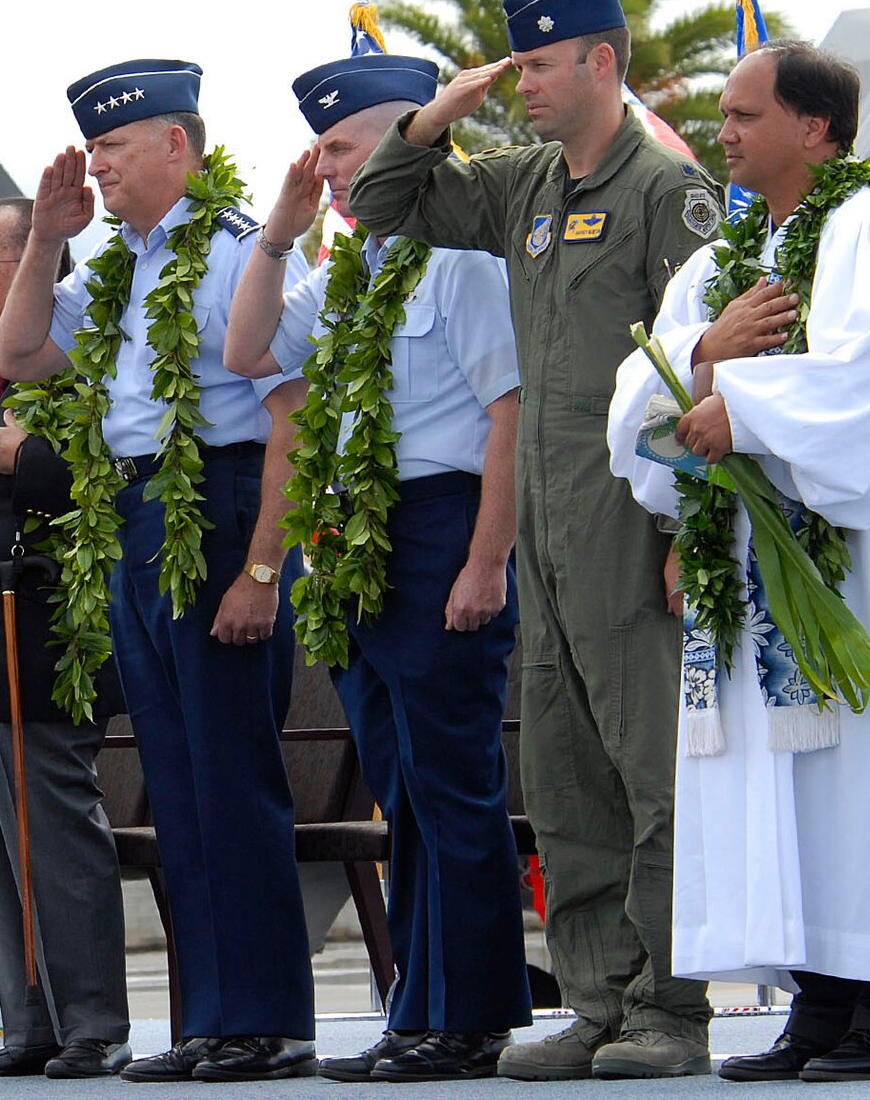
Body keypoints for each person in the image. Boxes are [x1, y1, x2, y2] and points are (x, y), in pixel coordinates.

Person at [347, 0, 722, 1080]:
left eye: (540, 68)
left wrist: (682, 536)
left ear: (599, 64)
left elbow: (697, 363)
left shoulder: (665, 189)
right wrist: (432, 119)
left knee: (647, 766)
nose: (524, 89)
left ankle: (670, 1004)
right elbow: (380, 204)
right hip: (545, 523)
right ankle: (598, 999)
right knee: (560, 768)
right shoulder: (519, 185)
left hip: (628, 511)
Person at [607, 40, 870, 1084]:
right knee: (785, 779)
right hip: (751, 567)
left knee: (867, 770)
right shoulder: (723, 260)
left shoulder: (869, 234)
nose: (722, 132)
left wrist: (740, 407)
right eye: (720, 115)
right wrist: (710, 357)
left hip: (862, 560)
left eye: (743, 115)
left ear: (813, 128)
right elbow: (645, 383)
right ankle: (821, 1004)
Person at [0, 59, 315, 1083]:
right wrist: (46, 235)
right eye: (91, 148)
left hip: (216, 511)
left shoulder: (232, 253)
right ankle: (210, 1018)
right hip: (138, 512)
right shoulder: (119, 266)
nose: (98, 165)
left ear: (176, 146)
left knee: (230, 780)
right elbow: (21, 353)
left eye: (113, 148)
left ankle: (264, 1021)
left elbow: (289, 418)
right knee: (175, 785)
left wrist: (261, 569)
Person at [225, 54, 530, 1083]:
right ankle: (417, 1004)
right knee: (399, 787)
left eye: (343, 148)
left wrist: (486, 560)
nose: (329, 169)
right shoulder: (346, 264)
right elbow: (248, 349)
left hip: (441, 526)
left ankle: (472, 1011)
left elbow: (507, 419)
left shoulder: (464, 256)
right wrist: (276, 228)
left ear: (411, 136)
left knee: (452, 783)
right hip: (359, 537)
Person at [0, 197, 132, 1080]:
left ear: (32, 269)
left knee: (53, 830)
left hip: (41, 635)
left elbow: (118, 474)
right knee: (1, 845)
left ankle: (91, 1020)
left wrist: (32, 460)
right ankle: (29, 1020)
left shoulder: (73, 356)